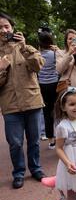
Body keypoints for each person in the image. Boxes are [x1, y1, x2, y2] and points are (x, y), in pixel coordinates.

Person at [0, 11, 46, 189]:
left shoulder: (26, 47)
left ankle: (35, 169)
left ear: (12, 28)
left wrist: (25, 47)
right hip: (10, 105)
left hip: (32, 100)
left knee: (34, 140)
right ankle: (18, 172)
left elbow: (38, 66)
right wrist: (2, 68)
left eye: (6, 26)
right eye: (0, 28)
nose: (4, 30)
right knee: (15, 143)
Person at [37, 28, 59, 149]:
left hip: (42, 86)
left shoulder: (37, 55)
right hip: (55, 84)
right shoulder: (55, 54)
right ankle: (62, 135)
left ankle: (51, 140)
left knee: (47, 112)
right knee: (58, 110)